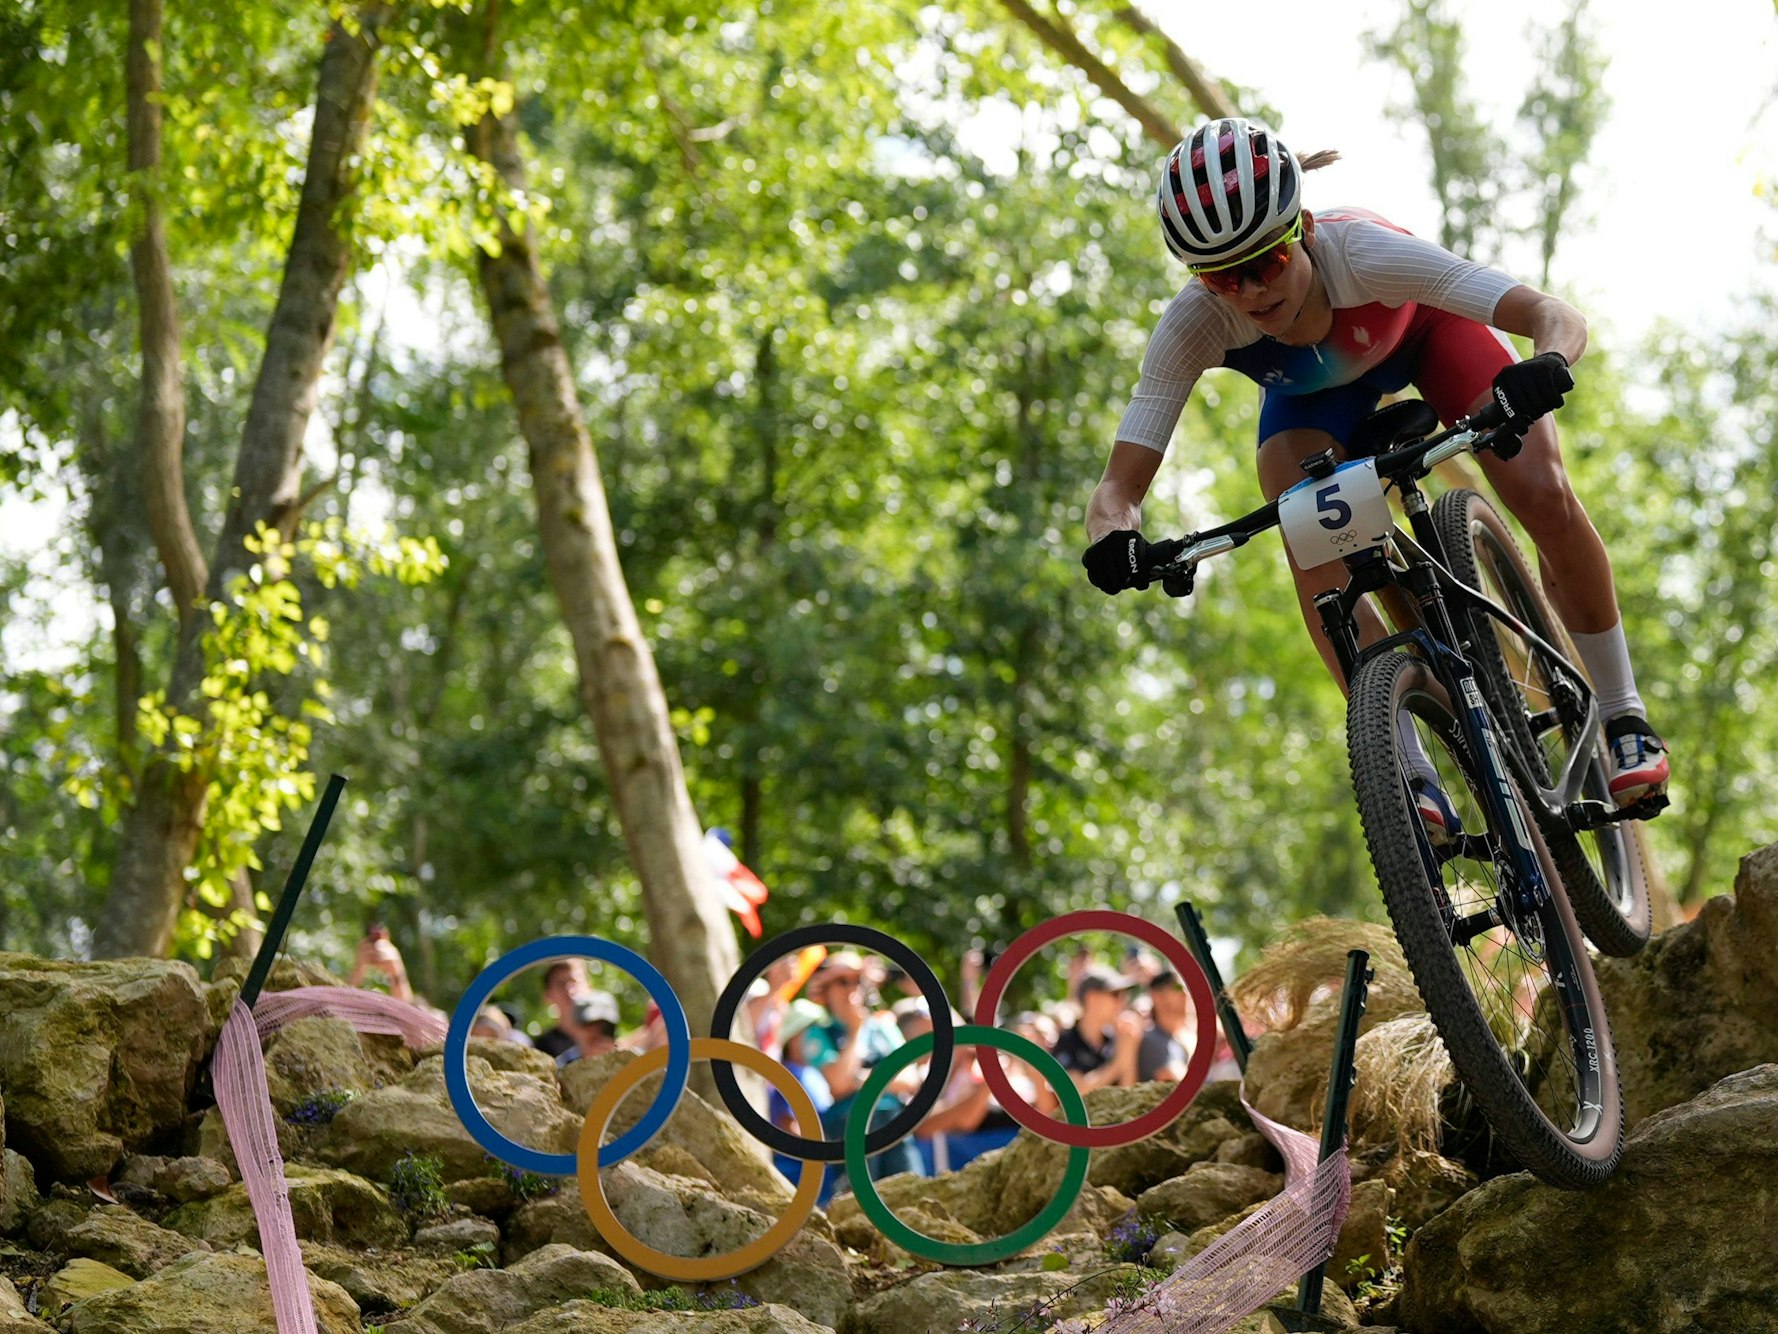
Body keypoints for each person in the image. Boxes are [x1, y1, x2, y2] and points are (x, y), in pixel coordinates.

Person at [1081, 117, 1670, 822]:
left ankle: (1623, 714)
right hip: (1316, 400)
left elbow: (1551, 314)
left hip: (1428, 337)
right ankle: (1410, 766)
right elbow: (1118, 488)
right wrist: (1113, 540)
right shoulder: (1194, 324)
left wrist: (1546, 364)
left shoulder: (1362, 251)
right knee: (1309, 534)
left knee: (1541, 491)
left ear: (1300, 228)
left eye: (1265, 263)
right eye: (1221, 278)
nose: (1250, 293)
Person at [798, 951, 924, 1185]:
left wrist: (861, 1079)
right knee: (857, 1209)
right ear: (825, 990)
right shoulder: (818, 1033)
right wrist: (856, 1031)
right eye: (842, 981)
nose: (852, 988)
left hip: (895, 1125)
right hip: (850, 1130)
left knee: (912, 1194)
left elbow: (911, 1079)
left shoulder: (882, 1026)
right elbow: (838, 1083)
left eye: (858, 980)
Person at [1050, 964, 1144, 1091]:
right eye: (1115, 994)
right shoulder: (1067, 1041)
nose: (1122, 1002)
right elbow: (1074, 1092)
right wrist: (1117, 1065)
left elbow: (1129, 1094)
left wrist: (1129, 1049)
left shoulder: (1115, 1039)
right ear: (1092, 998)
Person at [534, 959, 621, 1066]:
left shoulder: (606, 1025)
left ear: (589, 985)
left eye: (574, 982)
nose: (570, 991)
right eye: (561, 984)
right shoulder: (542, 1048)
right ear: (548, 995)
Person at [1137, 971, 1193, 1082]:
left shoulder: (1179, 1040)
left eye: (1185, 988)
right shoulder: (1150, 1040)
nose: (1185, 994)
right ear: (1157, 996)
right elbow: (1172, 1078)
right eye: (1177, 988)